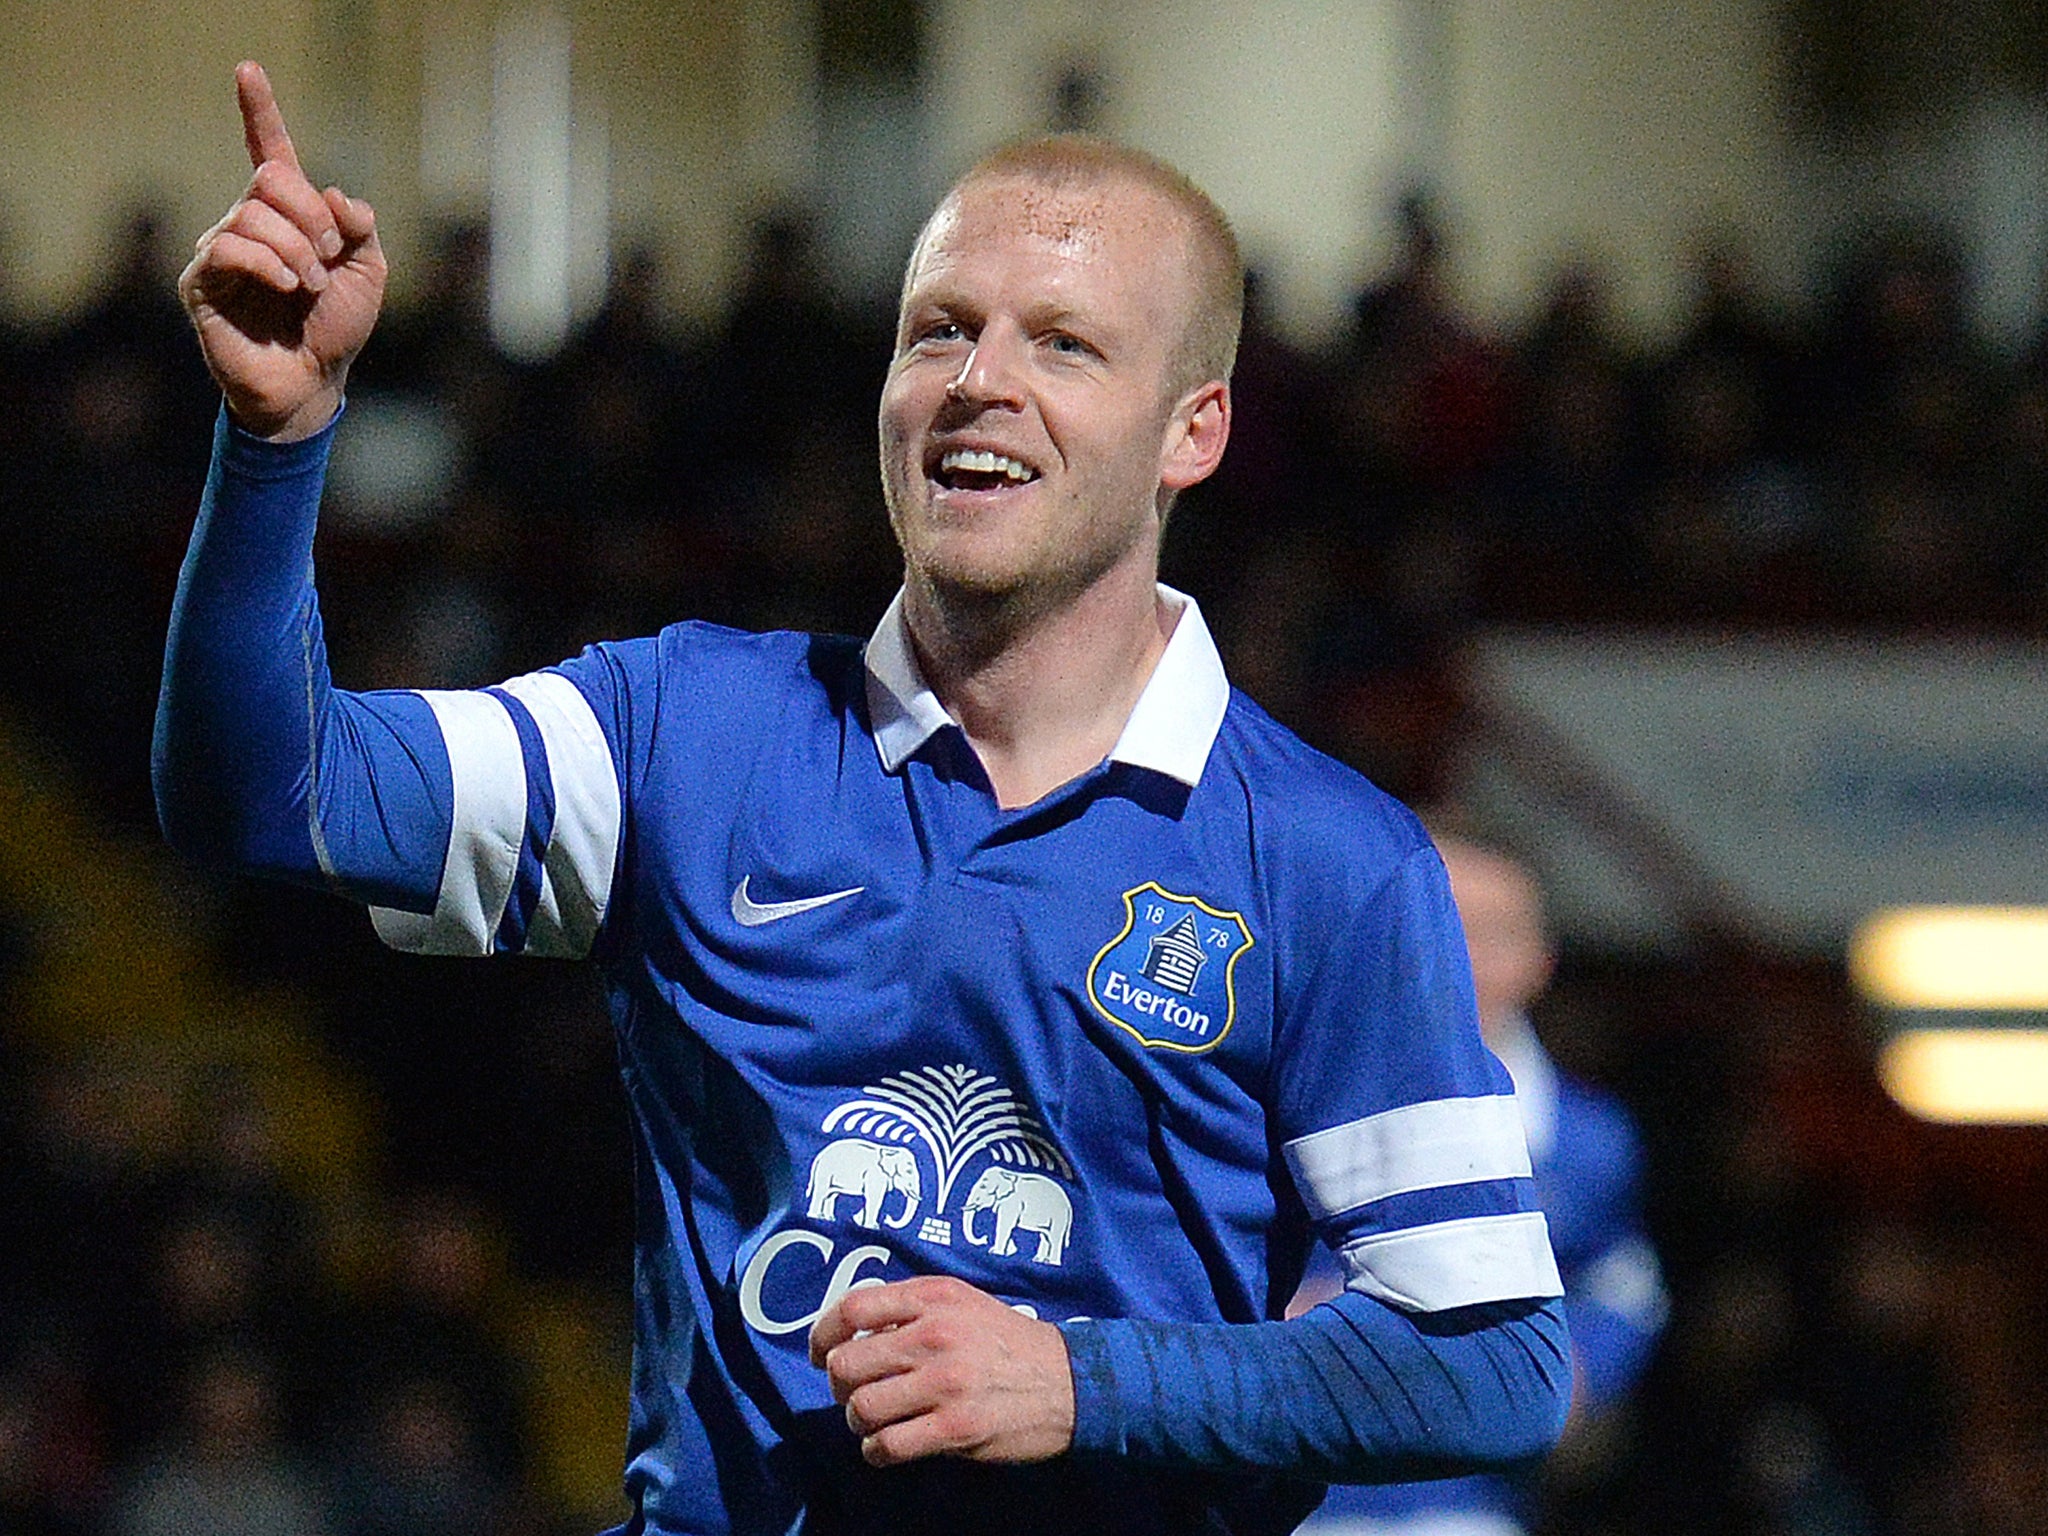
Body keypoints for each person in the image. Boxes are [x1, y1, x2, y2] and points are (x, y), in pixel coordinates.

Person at [155, 62, 1572, 1536]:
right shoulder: (683, 736)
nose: (980, 380)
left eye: (1067, 345)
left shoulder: (1331, 862)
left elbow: (1492, 1358)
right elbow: (268, 792)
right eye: (940, 329)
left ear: (1192, 433)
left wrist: (1085, 1383)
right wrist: (275, 444)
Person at [1295, 829, 1668, 1536]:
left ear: (1539, 959)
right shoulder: (1275, 1098)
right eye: (1436, 924)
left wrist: (1574, 1369)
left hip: (1468, 1504)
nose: (1459, 960)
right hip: (1289, 1491)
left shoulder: (1585, 1137)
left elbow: (1623, 1281)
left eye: (1491, 934)